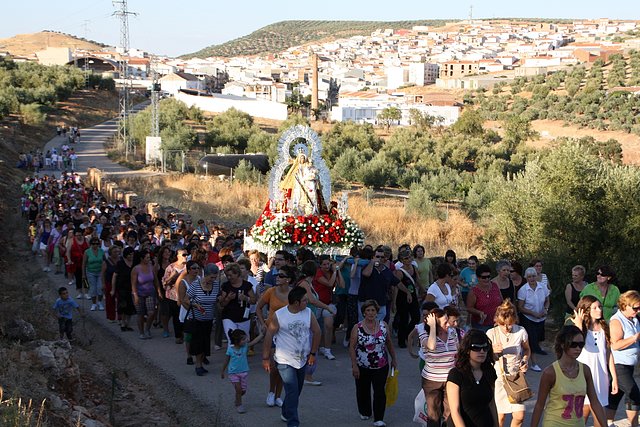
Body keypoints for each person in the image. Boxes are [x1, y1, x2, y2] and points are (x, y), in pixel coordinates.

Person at [262, 286, 321, 427]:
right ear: (296, 302)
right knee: (292, 390)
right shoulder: (280, 315)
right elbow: (269, 334)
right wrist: (265, 357)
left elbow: (317, 331)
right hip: (284, 360)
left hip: (302, 359)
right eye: (305, 300)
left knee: (296, 390)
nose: (307, 302)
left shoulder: (308, 313)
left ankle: (286, 411)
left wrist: (313, 353)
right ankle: (293, 422)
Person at [530, 325, 607, 427]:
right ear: (562, 344)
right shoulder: (550, 372)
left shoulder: (585, 370)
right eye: (573, 344)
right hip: (554, 423)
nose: (578, 348)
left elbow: (595, 403)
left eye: (581, 344)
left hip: (578, 424)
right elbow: (540, 404)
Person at [569, 295, 618, 423]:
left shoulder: (604, 327)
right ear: (586, 310)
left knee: (600, 417)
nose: (599, 310)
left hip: (601, 376)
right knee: (582, 415)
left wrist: (614, 378)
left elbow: (608, 354)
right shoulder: (580, 329)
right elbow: (573, 347)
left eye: (600, 307)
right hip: (583, 376)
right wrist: (579, 326)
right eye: (595, 308)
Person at [349, 299, 397, 427]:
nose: (370, 313)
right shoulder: (357, 327)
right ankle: (365, 411)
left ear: (377, 312)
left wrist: (394, 359)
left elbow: (389, 343)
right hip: (362, 365)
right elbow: (352, 347)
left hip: (381, 365)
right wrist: (354, 365)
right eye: (368, 310)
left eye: (373, 310)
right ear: (364, 312)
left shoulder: (383, 325)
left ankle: (379, 418)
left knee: (379, 391)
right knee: (363, 390)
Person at [256, 264, 297, 407]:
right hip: (272, 331)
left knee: (283, 366)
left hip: (287, 333)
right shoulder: (271, 291)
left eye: (281, 276)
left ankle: (279, 395)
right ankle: (271, 392)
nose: (277, 277)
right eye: (277, 275)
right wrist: (262, 323)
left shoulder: (294, 293)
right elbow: (258, 307)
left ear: (288, 279)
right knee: (274, 366)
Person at [486, 300, 531, 427]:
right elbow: (482, 358)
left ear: (515, 320)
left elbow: (527, 349)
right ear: (496, 320)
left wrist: (525, 361)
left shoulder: (521, 331)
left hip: (516, 378)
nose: (506, 328)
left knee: (519, 416)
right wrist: (492, 352)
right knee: (500, 418)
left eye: (509, 324)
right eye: (502, 324)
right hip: (498, 379)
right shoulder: (491, 333)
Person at [446, 329, 498, 427]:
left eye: (485, 348)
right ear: (467, 350)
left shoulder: (489, 371)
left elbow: (492, 403)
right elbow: (455, 411)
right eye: (476, 348)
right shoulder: (456, 374)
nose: (482, 351)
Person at [420, 308, 460, 426]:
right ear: (436, 324)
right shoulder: (424, 334)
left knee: (451, 412)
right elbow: (431, 346)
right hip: (432, 380)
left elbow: (457, 352)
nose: (448, 324)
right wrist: (432, 327)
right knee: (434, 415)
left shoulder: (452, 332)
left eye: (448, 320)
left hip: (451, 379)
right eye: (445, 322)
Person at [606, 290, 640, 427]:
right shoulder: (616, 320)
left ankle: (607, 422)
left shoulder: (634, 319)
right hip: (619, 364)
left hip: (629, 364)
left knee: (616, 394)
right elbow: (615, 345)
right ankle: (633, 424)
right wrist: (633, 338)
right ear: (625, 305)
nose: (638, 311)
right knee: (634, 394)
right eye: (635, 308)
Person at [183, 263, 219, 376]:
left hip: (208, 319)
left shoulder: (216, 285)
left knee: (205, 342)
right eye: (211, 277)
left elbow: (218, 298)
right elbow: (186, 299)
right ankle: (198, 365)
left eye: (215, 277)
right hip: (197, 319)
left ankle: (201, 363)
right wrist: (195, 305)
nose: (213, 280)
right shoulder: (196, 285)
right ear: (205, 275)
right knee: (198, 342)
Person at [221, 328, 265, 413]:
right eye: (243, 339)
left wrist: (261, 335)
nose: (246, 340)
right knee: (238, 389)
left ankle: (237, 399)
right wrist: (222, 371)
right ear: (237, 341)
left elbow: (254, 341)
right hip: (233, 373)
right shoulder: (230, 349)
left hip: (243, 372)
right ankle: (239, 404)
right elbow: (226, 360)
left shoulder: (245, 347)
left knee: (243, 391)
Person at [517, 267, 550, 371]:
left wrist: (545, 309)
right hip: (528, 318)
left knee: (539, 338)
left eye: (533, 276)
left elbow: (547, 300)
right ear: (526, 278)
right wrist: (532, 313)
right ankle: (533, 363)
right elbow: (520, 307)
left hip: (540, 318)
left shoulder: (543, 287)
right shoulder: (523, 290)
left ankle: (526, 357)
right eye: (529, 277)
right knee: (531, 340)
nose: (532, 278)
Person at [313, 255, 344, 360]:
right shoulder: (318, 273)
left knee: (328, 325)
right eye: (324, 264)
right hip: (317, 302)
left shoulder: (332, 273)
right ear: (320, 265)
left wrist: (338, 271)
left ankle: (327, 349)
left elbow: (342, 285)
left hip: (328, 303)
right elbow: (330, 284)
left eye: (328, 264)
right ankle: (317, 346)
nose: (327, 266)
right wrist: (335, 272)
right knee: (316, 327)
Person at [218, 262, 256, 344]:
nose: (229, 277)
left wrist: (245, 298)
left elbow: (254, 300)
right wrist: (228, 298)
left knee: (243, 341)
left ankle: (241, 356)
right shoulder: (226, 286)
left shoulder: (247, 285)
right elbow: (222, 304)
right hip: (229, 316)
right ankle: (231, 356)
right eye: (227, 275)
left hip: (243, 316)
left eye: (230, 275)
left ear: (237, 274)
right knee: (232, 340)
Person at [359, 248, 399, 321]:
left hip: (381, 303)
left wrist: (408, 292)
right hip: (366, 303)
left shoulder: (387, 271)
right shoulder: (367, 267)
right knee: (365, 325)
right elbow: (366, 274)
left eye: (382, 257)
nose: (380, 259)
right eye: (377, 256)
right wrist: (372, 262)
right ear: (373, 257)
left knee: (378, 325)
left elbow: (396, 283)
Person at [394, 249, 420, 348]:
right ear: (402, 260)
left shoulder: (413, 268)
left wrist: (423, 290)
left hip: (413, 295)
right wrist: (407, 292)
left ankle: (407, 334)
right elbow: (398, 284)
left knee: (416, 317)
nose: (409, 259)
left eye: (410, 257)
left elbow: (417, 280)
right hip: (402, 297)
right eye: (406, 258)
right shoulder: (400, 272)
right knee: (404, 319)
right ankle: (401, 340)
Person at [467, 264, 503, 332]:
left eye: (488, 277)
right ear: (478, 277)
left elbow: (501, 301)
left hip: (497, 322)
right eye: (484, 277)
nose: (487, 279)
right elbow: (469, 308)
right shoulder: (474, 291)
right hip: (481, 325)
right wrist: (479, 312)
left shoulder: (495, 286)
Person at [131, 249, 158, 339]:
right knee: (140, 313)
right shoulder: (136, 269)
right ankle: (141, 332)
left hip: (150, 292)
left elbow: (155, 280)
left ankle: (147, 329)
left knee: (152, 312)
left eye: (149, 258)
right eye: (147, 258)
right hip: (139, 293)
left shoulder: (151, 267)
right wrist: (135, 295)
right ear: (142, 258)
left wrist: (158, 291)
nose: (149, 259)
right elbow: (133, 283)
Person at [112, 246, 135, 331]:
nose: (131, 256)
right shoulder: (120, 263)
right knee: (123, 306)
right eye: (129, 255)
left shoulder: (135, 263)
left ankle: (128, 324)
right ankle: (122, 323)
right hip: (122, 288)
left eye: (132, 254)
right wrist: (113, 289)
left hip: (131, 288)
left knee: (130, 307)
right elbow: (115, 276)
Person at [83, 237, 105, 311]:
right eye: (93, 244)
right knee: (93, 289)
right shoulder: (87, 252)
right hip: (90, 272)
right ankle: (94, 303)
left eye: (97, 243)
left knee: (100, 288)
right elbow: (84, 264)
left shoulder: (101, 251)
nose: (95, 245)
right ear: (91, 244)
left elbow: (105, 261)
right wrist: (83, 274)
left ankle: (99, 302)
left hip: (100, 272)